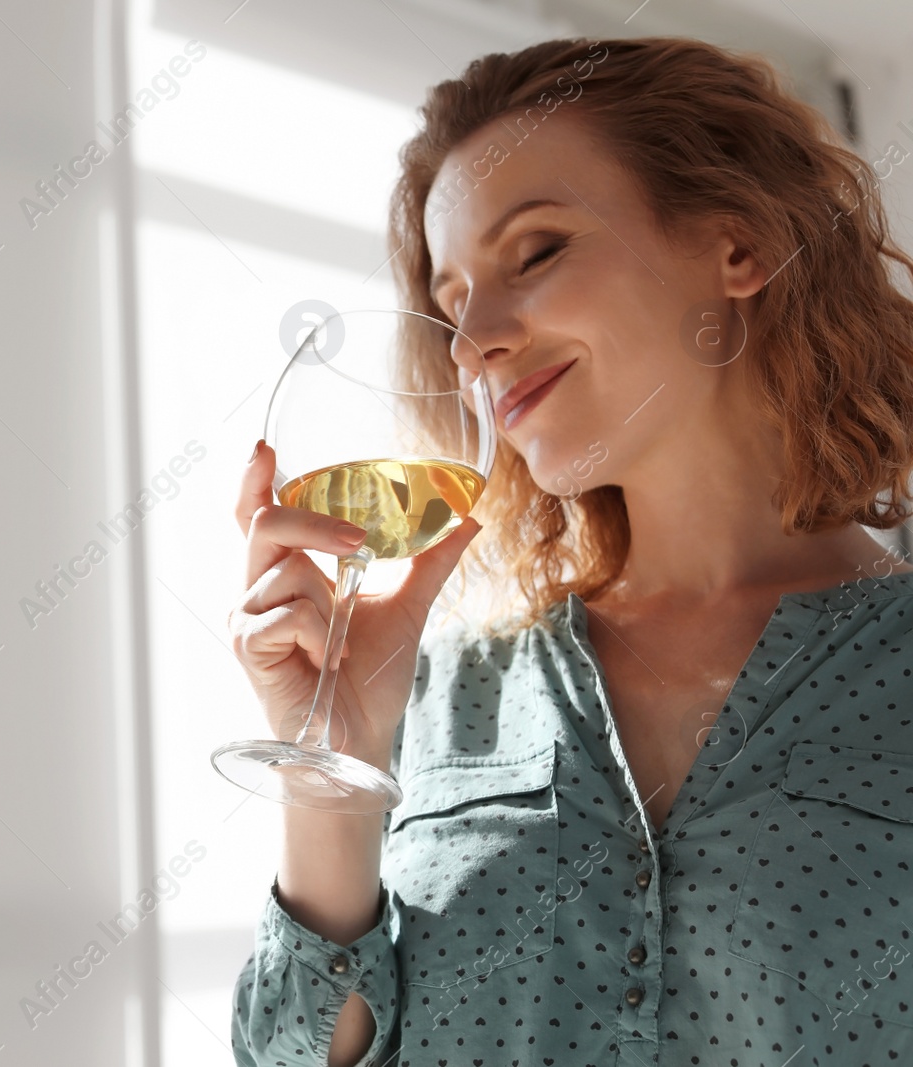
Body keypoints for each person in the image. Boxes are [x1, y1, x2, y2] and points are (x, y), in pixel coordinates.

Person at [227, 35, 913, 1067]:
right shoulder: (443, 689)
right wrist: (338, 766)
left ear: (739, 246)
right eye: (452, 303)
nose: (473, 343)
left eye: (536, 252)